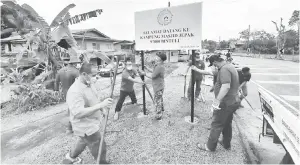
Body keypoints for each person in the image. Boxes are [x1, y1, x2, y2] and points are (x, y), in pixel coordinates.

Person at [63, 62, 113, 164]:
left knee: (82, 141)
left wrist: (101, 109)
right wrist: (101, 105)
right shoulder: (75, 91)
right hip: (85, 126)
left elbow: (94, 99)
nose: (95, 77)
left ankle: (71, 157)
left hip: (91, 123)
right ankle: (102, 162)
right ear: (84, 74)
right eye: (93, 75)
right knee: (98, 144)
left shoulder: (89, 83)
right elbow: (79, 113)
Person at [192, 55, 240, 152]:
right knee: (227, 123)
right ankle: (226, 143)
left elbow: (226, 86)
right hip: (233, 101)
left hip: (225, 102)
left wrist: (217, 101)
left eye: (214, 64)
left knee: (216, 124)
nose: (214, 66)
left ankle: (209, 147)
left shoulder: (224, 70)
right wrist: (215, 86)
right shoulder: (229, 66)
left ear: (215, 62)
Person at [55, 55, 80, 134]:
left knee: (71, 108)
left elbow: (56, 82)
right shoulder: (75, 71)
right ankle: (70, 127)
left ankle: (71, 127)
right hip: (74, 93)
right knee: (74, 109)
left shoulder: (60, 71)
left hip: (65, 93)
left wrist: (56, 91)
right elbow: (81, 82)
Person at [140, 52, 166, 120]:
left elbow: (153, 76)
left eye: (158, 56)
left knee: (158, 101)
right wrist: (147, 68)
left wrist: (144, 74)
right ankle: (162, 109)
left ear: (161, 59)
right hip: (160, 85)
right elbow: (154, 72)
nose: (156, 57)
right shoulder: (159, 65)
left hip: (158, 86)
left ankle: (159, 115)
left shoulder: (159, 66)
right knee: (160, 98)